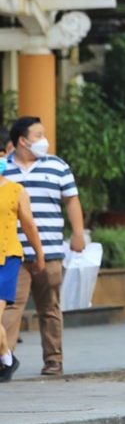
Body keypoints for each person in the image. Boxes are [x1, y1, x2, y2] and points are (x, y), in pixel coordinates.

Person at [1, 116, 86, 376]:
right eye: (38, 135)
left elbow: (71, 201)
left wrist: (78, 234)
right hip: (14, 252)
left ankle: (53, 360)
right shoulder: (6, 169)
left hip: (49, 250)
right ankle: (6, 359)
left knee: (49, 306)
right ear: (22, 140)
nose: (43, 140)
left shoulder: (57, 166)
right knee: (11, 306)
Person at [0, 130, 45, 382]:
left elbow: (29, 226)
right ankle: (7, 358)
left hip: (7, 259)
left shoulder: (16, 191)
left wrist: (39, 256)